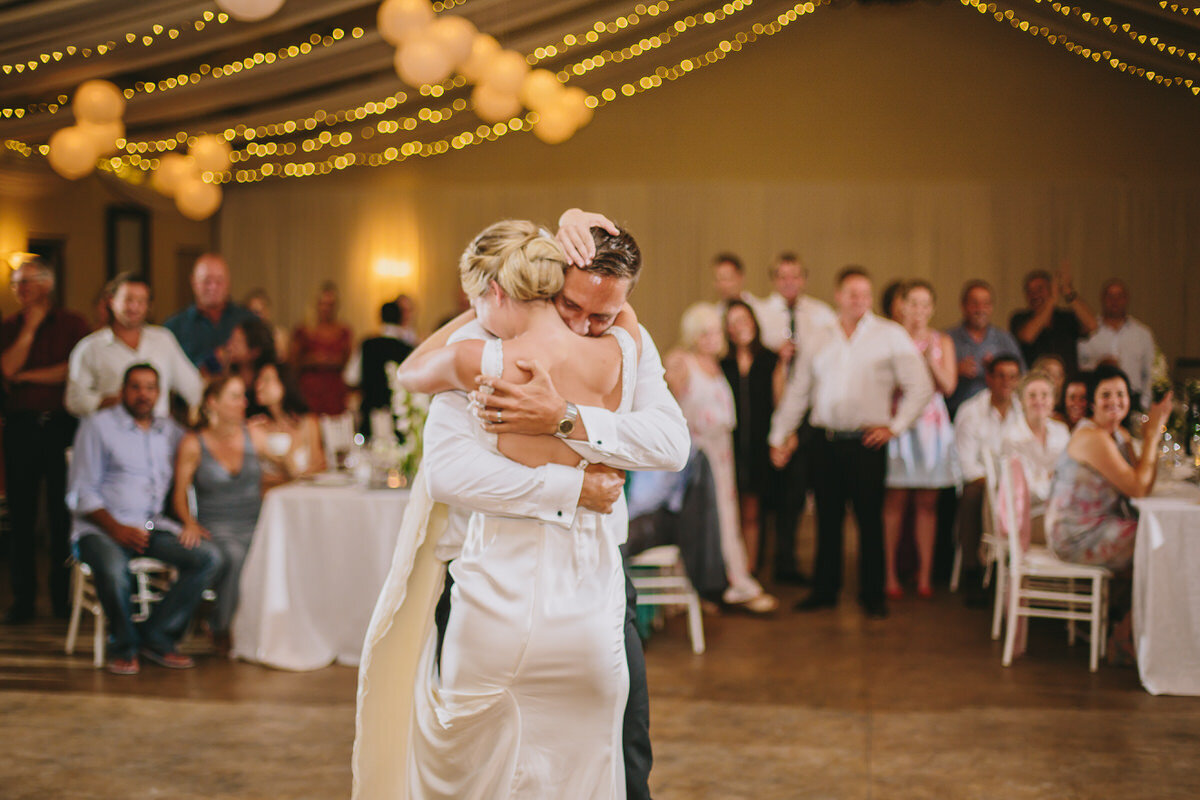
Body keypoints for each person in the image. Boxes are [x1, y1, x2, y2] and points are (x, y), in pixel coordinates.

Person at [355, 211, 689, 800]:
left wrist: (563, 418)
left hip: (598, 584)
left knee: (622, 755)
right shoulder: (498, 346)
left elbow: (670, 443)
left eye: (604, 315)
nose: (586, 326)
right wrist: (572, 488)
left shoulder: (624, 343)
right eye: (572, 307)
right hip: (499, 583)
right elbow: (450, 468)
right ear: (546, 283)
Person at [769, 267, 933, 619]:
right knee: (827, 520)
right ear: (838, 295)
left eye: (865, 294)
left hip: (867, 443)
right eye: (852, 293)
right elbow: (798, 391)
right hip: (824, 442)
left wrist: (895, 426)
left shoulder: (890, 335)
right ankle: (824, 591)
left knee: (869, 520)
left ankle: (872, 595)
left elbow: (921, 386)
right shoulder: (818, 335)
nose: (859, 300)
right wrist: (779, 434)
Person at [66, 363, 222, 674]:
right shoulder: (98, 426)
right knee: (114, 570)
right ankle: (123, 645)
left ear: (159, 394)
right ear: (123, 391)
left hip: (151, 527)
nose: (143, 394)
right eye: (136, 387)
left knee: (209, 557)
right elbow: (80, 493)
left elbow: (204, 442)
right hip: (100, 529)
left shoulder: (170, 431)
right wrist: (116, 528)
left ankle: (158, 636)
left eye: (150, 388)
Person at [1045, 365, 1173, 662]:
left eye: (1120, 394)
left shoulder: (1117, 434)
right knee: (1160, 545)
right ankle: (1122, 636)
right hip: (1076, 534)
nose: (1114, 400)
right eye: (1105, 395)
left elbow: (1142, 481)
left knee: (1156, 542)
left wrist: (1147, 438)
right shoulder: (1094, 437)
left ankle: (1128, 629)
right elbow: (1139, 488)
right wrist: (1153, 436)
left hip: (1099, 526)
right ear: (1092, 401)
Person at [667, 303, 778, 612]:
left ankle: (729, 583)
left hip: (722, 455)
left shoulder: (717, 367)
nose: (713, 338)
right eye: (706, 333)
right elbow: (666, 408)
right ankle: (702, 589)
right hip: (696, 457)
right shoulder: (682, 362)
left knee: (726, 521)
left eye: (716, 332)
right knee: (699, 521)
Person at [0, 257, 90, 623]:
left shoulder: (73, 323)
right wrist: (29, 332)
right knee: (21, 517)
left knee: (61, 515)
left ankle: (62, 598)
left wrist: (26, 376)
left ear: (47, 284)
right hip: (20, 427)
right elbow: (6, 369)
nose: (21, 290)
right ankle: (22, 600)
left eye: (27, 281)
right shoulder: (9, 327)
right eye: (15, 284)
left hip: (60, 427)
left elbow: (72, 372)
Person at [173, 375, 265, 657]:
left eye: (243, 396)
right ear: (213, 402)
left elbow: (284, 469)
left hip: (258, 524)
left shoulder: (254, 434)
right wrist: (189, 522)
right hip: (218, 527)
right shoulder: (193, 443)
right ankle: (222, 627)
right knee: (235, 555)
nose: (244, 402)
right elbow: (179, 493)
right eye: (235, 396)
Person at [883, 281, 959, 599]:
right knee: (895, 501)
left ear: (932, 308)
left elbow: (949, 386)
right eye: (912, 303)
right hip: (899, 420)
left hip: (931, 425)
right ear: (901, 306)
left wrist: (929, 360)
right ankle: (889, 576)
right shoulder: (889, 338)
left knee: (927, 504)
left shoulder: (942, 341)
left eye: (925, 304)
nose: (918, 310)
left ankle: (925, 575)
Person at [67, 273, 203, 420]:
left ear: (149, 306)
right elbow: (74, 400)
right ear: (111, 301)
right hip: (112, 434)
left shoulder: (163, 339)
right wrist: (108, 401)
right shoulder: (89, 348)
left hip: (157, 436)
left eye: (141, 301)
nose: (134, 307)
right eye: (128, 299)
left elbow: (194, 388)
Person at [720, 299, 786, 578]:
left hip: (759, 444)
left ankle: (750, 568)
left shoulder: (771, 360)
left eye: (744, 320)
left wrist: (782, 440)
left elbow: (781, 404)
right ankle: (728, 568)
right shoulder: (722, 363)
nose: (740, 327)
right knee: (728, 511)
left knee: (752, 510)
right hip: (729, 446)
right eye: (733, 322)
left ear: (754, 323)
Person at [952, 355, 1024, 605]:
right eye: (1001, 375)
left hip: (1016, 485)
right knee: (974, 496)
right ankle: (973, 571)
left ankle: (1016, 572)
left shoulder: (1023, 411)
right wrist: (995, 486)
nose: (1006, 382)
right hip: (981, 482)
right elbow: (966, 464)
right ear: (989, 378)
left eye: (1012, 376)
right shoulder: (971, 411)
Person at [945, 279, 1025, 417]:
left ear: (992, 307)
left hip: (999, 415)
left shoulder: (1004, 339)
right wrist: (955, 371)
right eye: (974, 303)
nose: (980, 309)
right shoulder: (947, 339)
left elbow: (1023, 377)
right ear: (963, 306)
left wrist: (997, 371)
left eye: (986, 304)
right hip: (954, 413)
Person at [165, 254, 256, 372]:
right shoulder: (173, 328)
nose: (213, 287)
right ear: (193, 282)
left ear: (228, 282)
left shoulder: (249, 320)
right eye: (207, 281)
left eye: (219, 281)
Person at [1076, 279, 1156, 411]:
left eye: (1119, 296)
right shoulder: (1088, 330)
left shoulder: (1142, 334)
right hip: (1098, 401)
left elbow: (1150, 373)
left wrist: (1144, 405)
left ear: (1126, 299)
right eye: (1110, 296)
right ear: (1102, 298)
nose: (1115, 300)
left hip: (1134, 401)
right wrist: (1099, 366)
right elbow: (1080, 367)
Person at [248, 361, 326, 488]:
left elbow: (319, 465)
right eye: (258, 380)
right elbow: (256, 478)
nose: (258, 386)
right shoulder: (256, 427)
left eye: (266, 380)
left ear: (284, 383)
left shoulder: (307, 423)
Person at [344, 300, 415, 437]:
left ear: (380, 318)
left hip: (370, 415)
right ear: (401, 319)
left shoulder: (366, 345)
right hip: (399, 420)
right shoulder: (408, 349)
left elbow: (351, 378)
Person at [1009, 267, 1097, 377]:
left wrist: (1068, 291)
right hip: (1035, 385)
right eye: (1029, 291)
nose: (1034, 294)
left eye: (1040, 289)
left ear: (1051, 289)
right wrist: (1051, 301)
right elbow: (1027, 336)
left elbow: (1092, 325)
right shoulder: (1020, 317)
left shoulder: (1066, 317)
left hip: (1067, 382)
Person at [1002, 370, 1070, 511]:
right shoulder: (1012, 438)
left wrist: (1047, 479)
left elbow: (1072, 477)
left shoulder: (1061, 431)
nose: (1039, 401)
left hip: (1063, 506)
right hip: (1029, 513)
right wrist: (1053, 477)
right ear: (1021, 401)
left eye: (1045, 395)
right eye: (1032, 396)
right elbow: (1025, 492)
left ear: (1053, 400)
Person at [291, 281, 353, 415]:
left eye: (330, 305)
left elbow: (347, 359)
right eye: (323, 303)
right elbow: (293, 360)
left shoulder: (343, 330)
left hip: (334, 389)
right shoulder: (304, 329)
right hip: (310, 389)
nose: (326, 308)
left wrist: (331, 360)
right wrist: (313, 359)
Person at [754, 252, 836, 353]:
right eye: (783, 277)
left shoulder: (822, 312)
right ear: (773, 280)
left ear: (804, 279)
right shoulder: (759, 313)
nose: (789, 282)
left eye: (795, 277)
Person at [243, 288, 290, 361]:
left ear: (267, 312)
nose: (253, 317)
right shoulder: (243, 337)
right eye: (250, 312)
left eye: (257, 312)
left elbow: (281, 361)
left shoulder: (278, 335)